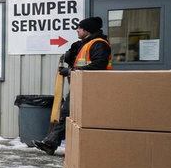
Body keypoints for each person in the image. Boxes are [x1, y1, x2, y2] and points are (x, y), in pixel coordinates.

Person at [32, 16, 112, 155]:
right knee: (66, 114)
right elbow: (81, 62)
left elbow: (98, 65)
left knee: (76, 116)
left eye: (80, 28)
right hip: (81, 86)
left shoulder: (99, 44)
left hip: (93, 88)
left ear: (87, 30)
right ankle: (50, 144)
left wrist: (70, 71)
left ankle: (57, 144)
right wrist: (71, 55)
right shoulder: (86, 43)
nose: (77, 30)